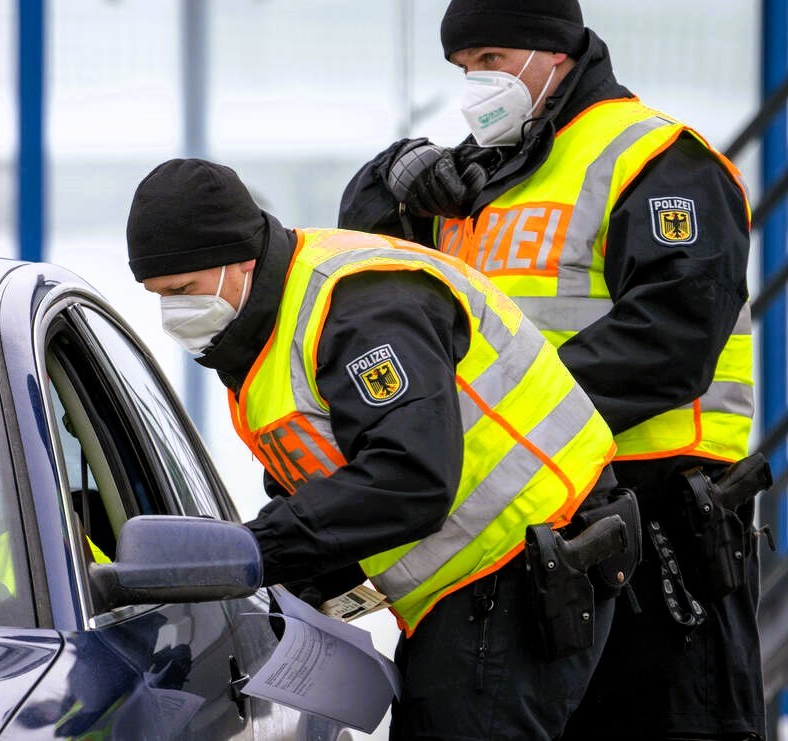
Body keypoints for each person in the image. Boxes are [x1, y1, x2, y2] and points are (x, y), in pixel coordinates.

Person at [337, 1, 765, 739]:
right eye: (464, 69)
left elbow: (672, 338)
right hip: (523, 542)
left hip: (657, 535)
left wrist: (507, 426)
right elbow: (367, 280)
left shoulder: (658, 159)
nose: (475, 85)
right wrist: (390, 178)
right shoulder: (477, 181)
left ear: (553, 55)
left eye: (492, 61)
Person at [126, 157, 640, 739]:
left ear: (239, 258)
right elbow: (327, 480)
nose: (173, 313)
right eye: (158, 295)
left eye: (183, 290)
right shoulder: (266, 331)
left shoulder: (361, 307)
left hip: (523, 568)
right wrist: (295, 588)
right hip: (474, 586)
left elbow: (410, 478)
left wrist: (256, 549)